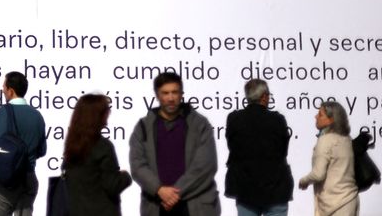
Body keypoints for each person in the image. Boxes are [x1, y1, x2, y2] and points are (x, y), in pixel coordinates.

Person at [129, 71, 220, 216]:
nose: (171, 98)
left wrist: (175, 193)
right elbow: (137, 165)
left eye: (175, 92)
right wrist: (159, 189)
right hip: (157, 205)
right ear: (157, 95)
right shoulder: (143, 127)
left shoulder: (199, 124)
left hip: (194, 205)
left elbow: (206, 165)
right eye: (165, 93)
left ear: (181, 94)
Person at [225, 79, 293, 216]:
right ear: (264, 96)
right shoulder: (277, 120)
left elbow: (231, 146)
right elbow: (283, 150)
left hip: (245, 188)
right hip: (275, 188)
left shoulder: (234, 119)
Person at [0, 71, 46, 216]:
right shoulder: (37, 115)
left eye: (4, 87)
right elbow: (42, 150)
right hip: (28, 177)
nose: (2, 90)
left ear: (11, 91)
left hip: (7, 181)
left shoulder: (3, 112)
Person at [63, 93, 132, 216]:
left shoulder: (71, 146)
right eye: (106, 113)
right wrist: (126, 177)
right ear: (98, 116)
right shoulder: (103, 146)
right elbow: (112, 186)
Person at [298, 102, 358, 216]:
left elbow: (318, 174)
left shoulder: (325, 140)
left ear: (331, 120)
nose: (316, 117)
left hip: (334, 204)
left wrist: (303, 181)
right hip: (350, 199)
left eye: (320, 115)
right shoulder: (347, 140)